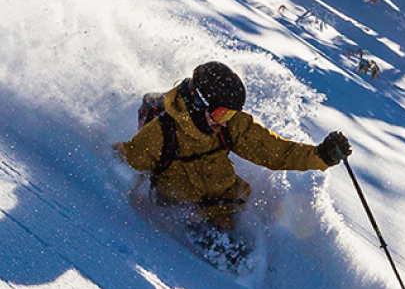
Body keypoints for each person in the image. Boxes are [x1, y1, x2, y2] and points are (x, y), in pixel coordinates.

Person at [114, 61, 351, 237]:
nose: (226, 121)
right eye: (221, 113)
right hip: (181, 210)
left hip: (224, 208)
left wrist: (322, 156)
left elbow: (276, 152)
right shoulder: (161, 133)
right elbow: (121, 164)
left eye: (231, 114)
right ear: (199, 103)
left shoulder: (229, 126)